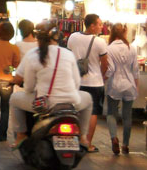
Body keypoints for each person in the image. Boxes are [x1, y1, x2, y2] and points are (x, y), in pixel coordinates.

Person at [10, 21, 93, 149]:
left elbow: (29, 87)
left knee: (14, 99)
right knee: (88, 98)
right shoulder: (68, 54)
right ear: (57, 36)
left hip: (45, 104)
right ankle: (83, 137)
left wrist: (31, 89)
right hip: (71, 102)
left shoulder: (33, 55)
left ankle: (21, 135)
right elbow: (76, 82)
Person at [67, 13, 108, 152]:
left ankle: (75, 140)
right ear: (92, 26)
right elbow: (105, 64)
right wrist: (101, 75)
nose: (102, 27)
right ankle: (87, 143)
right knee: (93, 112)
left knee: (76, 110)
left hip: (76, 81)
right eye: (100, 24)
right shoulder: (99, 42)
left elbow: (68, 56)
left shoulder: (72, 37)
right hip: (95, 83)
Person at [105, 23, 139, 155]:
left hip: (115, 85)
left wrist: (104, 77)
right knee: (127, 116)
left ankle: (114, 138)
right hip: (130, 85)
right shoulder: (132, 48)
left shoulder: (109, 49)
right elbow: (136, 70)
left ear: (112, 33)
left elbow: (111, 69)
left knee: (111, 113)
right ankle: (125, 145)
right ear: (124, 33)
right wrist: (137, 86)